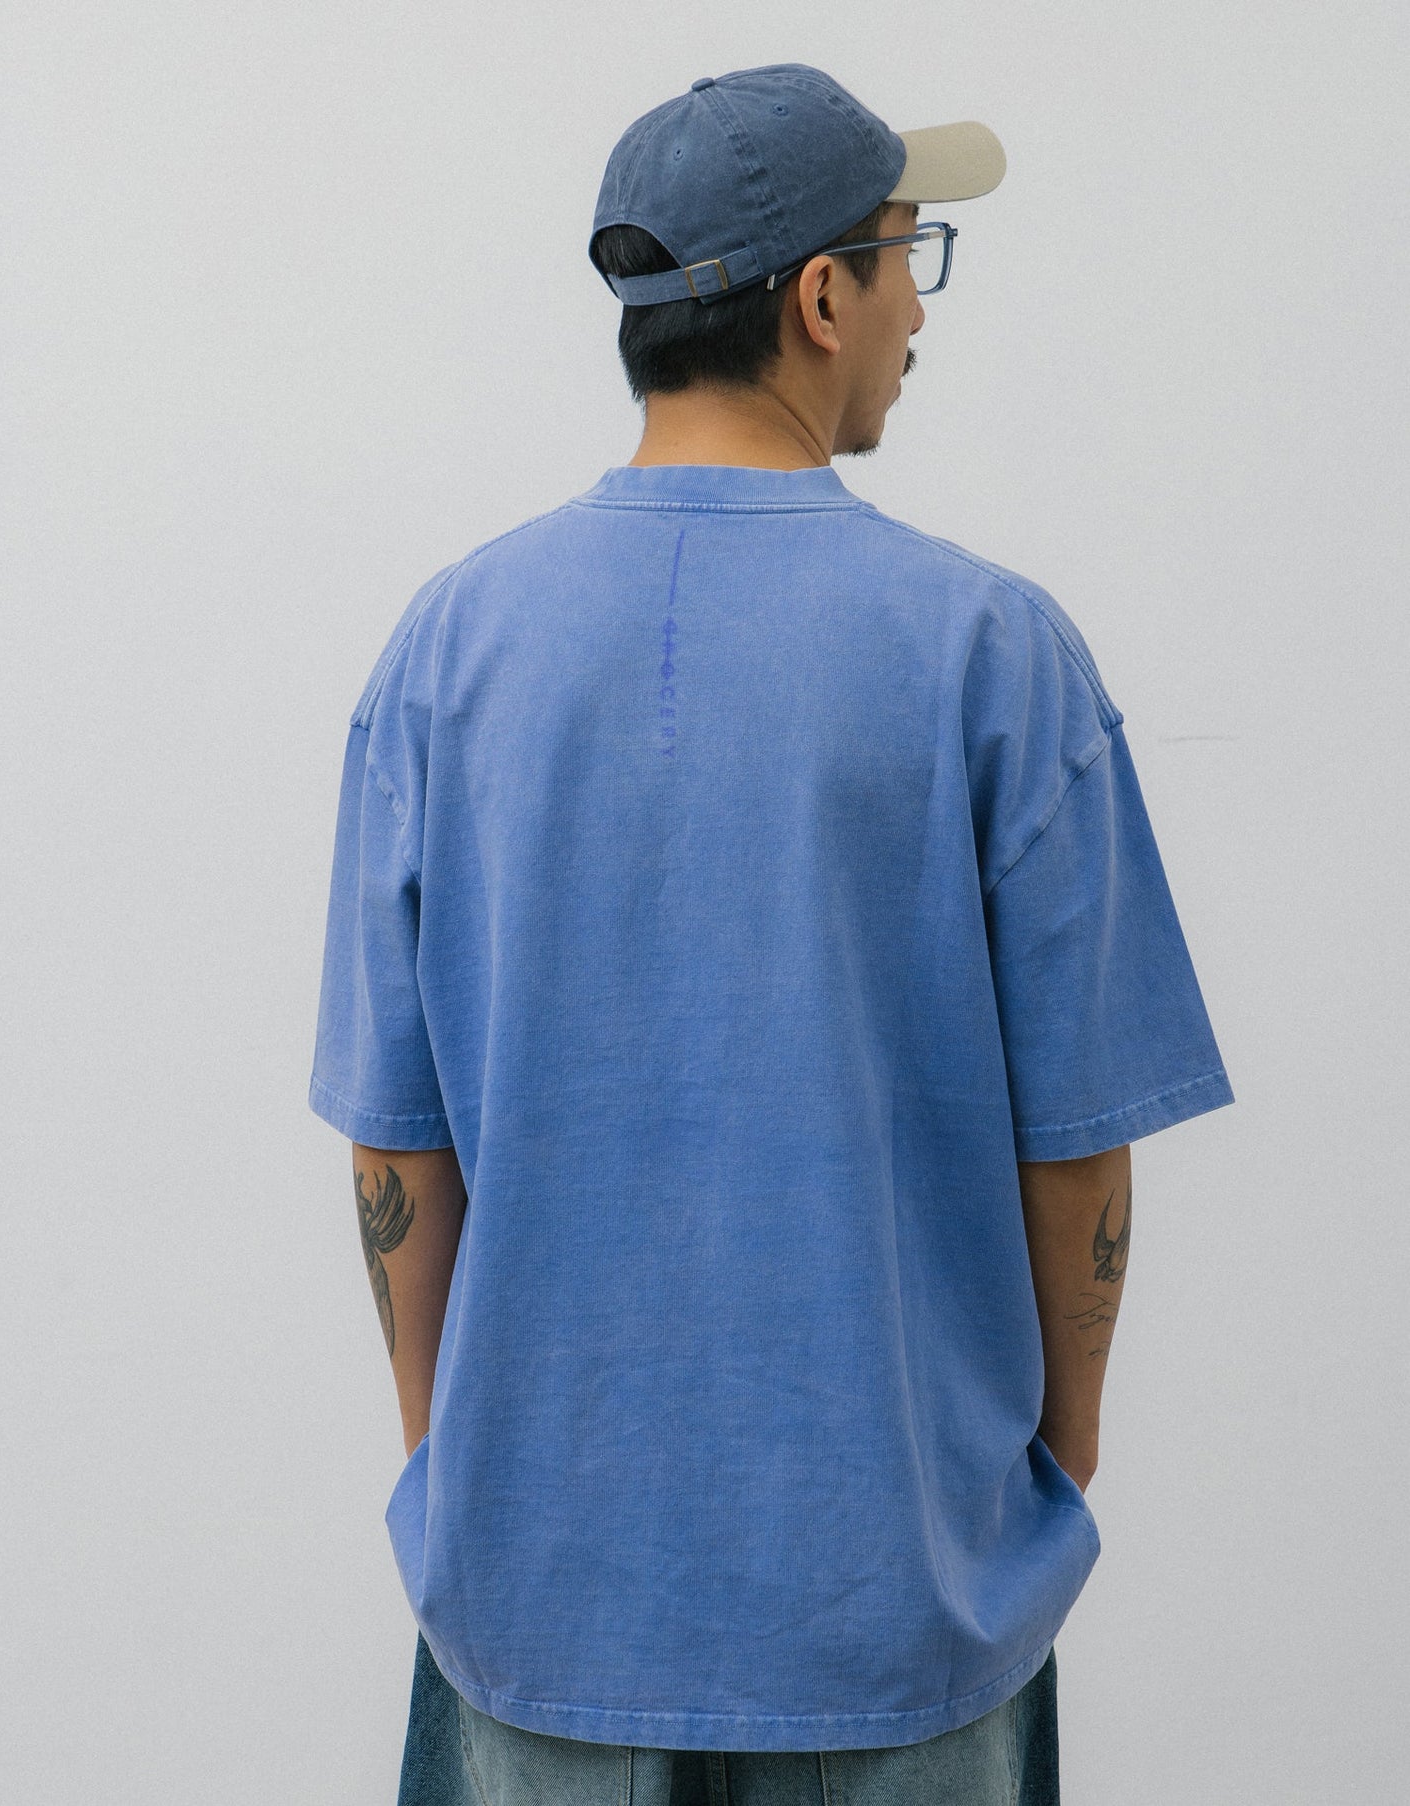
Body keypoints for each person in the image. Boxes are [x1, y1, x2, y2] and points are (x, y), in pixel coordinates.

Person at [308, 62, 1235, 1806]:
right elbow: (1075, 1154)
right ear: (820, 297)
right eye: (905, 257)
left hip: (539, 1592)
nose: (913, 311)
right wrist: (1046, 1463)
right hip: (897, 1595)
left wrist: (462, 1467)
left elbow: (394, 1146)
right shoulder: (991, 654)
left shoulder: (447, 652)